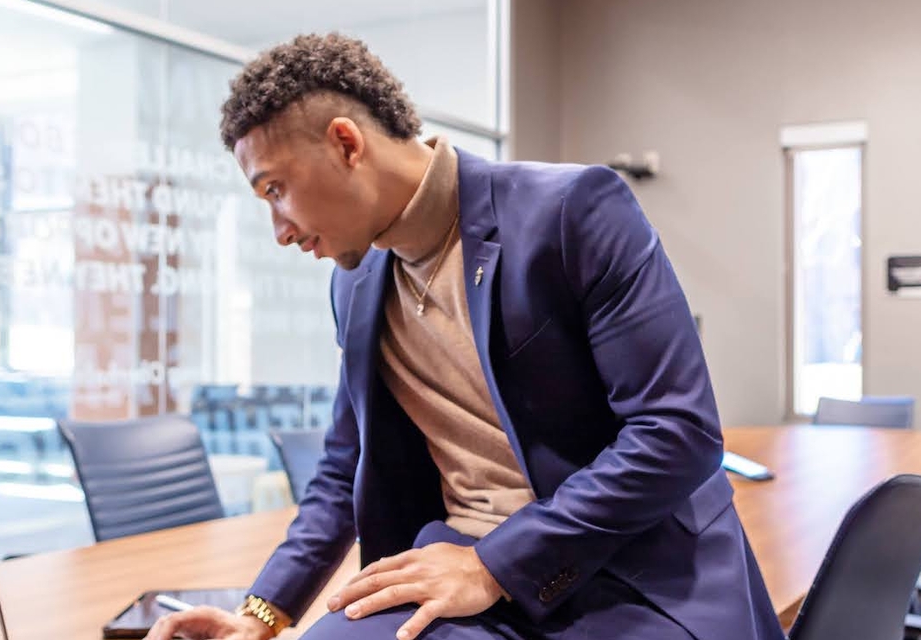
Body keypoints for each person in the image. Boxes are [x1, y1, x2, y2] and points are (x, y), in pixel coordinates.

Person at [146, 32, 784, 640]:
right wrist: (263, 612)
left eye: (275, 190)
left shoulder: (572, 212)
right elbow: (345, 467)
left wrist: (494, 566)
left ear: (345, 143)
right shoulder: (355, 282)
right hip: (456, 575)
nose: (279, 230)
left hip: (627, 568)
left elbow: (677, 433)